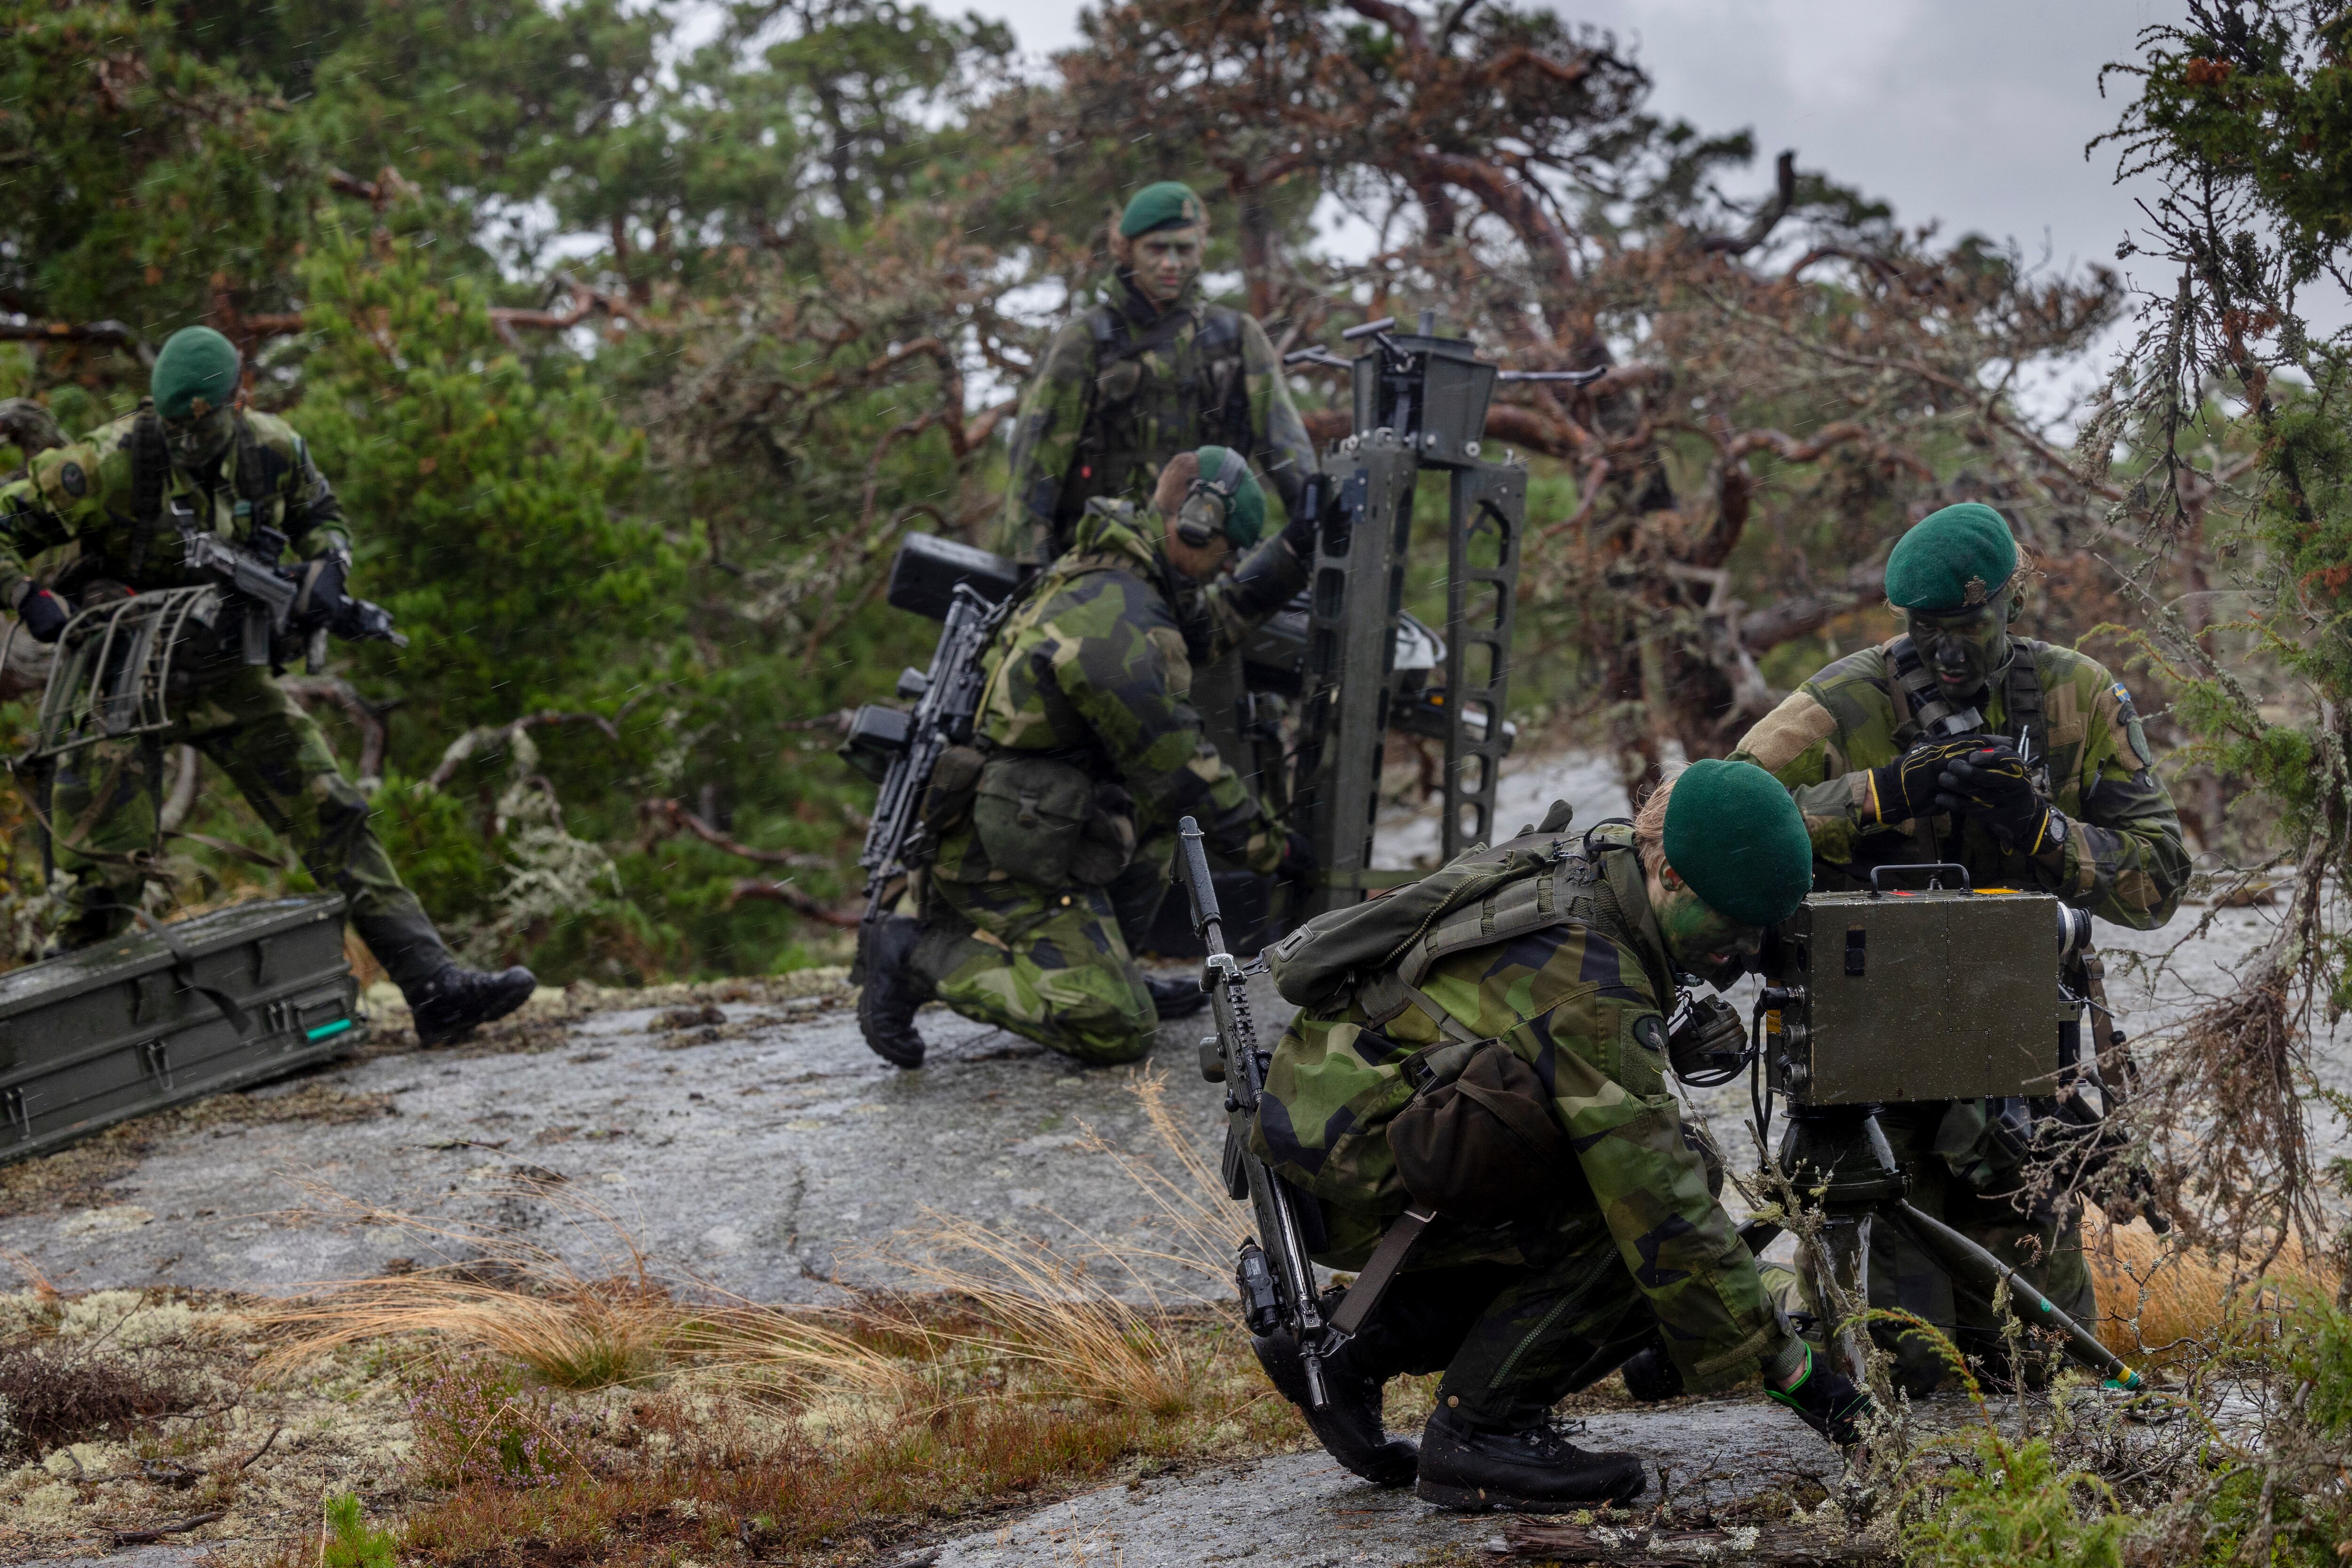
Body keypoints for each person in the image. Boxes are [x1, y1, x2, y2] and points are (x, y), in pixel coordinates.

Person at [1247, 761, 1870, 1512]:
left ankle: (1355, 1354)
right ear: (1669, 871)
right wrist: (1796, 1372)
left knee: (1657, 1190)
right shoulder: (1594, 981)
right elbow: (1661, 1210)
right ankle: (1482, 1431)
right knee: (1636, 1226)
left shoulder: (1598, 858)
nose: (1738, 957)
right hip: (1357, 1168)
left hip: (1334, 1115)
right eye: (1731, 926)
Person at [1725, 499, 2190, 1393]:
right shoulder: (1841, 701)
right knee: (1901, 1358)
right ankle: (1783, 1307)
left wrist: (2043, 829)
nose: (1946, 652)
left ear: (2015, 601)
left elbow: (2161, 879)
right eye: (1924, 629)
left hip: (2015, 1070)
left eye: (1967, 626)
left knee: (2036, 1361)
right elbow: (1708, 826)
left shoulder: (2077, 696)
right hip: (1869, 1067)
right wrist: (1878, 793)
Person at [0, 326, 537, 1046]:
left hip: (224, 670)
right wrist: (26, 595)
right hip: (121, 671)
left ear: (240, 399)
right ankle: (59, 1046)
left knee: (332, 813)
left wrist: (327, 571)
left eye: (205, 426)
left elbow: (324, 516)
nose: (189, 443)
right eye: (175, 429)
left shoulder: (273, 450)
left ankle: (432, 984)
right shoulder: (105, 462)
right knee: (105, 870)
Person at [858, 446, 1313, 1069]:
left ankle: (1104, 963)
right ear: (1196, 518)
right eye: (1226, 548)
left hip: (1040, 816)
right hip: (997, 854)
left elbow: (1212, 623)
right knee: (1118, 1028)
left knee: (1156, 824)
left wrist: (1294, 551)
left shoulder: (1122, 574)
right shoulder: (1114, 616)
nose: (1228, 563)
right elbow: (1182, 773)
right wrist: (1278, 851)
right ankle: (916, 955)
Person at [994, 181, 1318, 568]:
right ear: (1126, 250)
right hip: (1101, 565)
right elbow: (1037, 462)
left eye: (1183, 249)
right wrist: (1029, 564)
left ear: (1200, 249)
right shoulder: (1087, 339)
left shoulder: (1236, 338)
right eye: (1156, 248)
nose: (1171, 263)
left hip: (1204, 562)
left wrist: (1316, 538)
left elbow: (1289, 454)